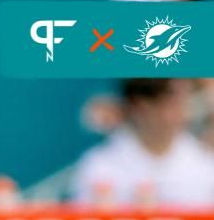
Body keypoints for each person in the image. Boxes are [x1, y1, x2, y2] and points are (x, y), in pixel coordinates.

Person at [71, 78, 214, 209]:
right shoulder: (98, 167)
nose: (180, 112)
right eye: (169, 102)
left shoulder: (206, 165)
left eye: (184, 100)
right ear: (140, 106)